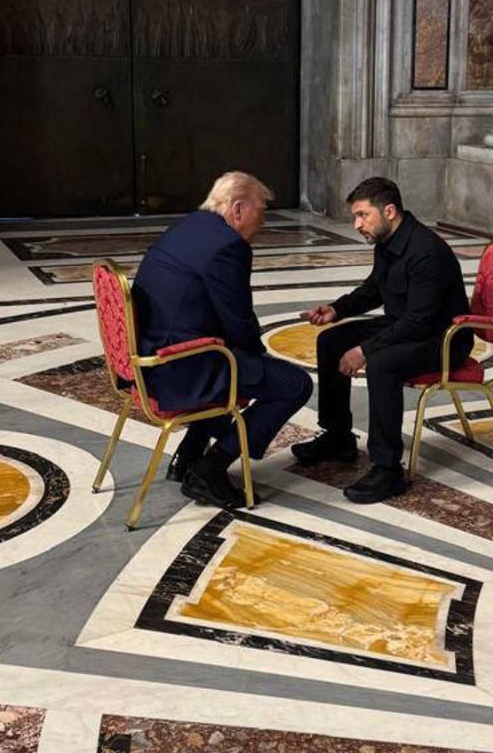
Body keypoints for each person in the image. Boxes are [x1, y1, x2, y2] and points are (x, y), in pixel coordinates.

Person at [131, 171, 312, 509]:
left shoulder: (188, 227)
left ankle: (187, 455)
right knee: (293, 384)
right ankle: (209, 469)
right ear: (238, 208)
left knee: (235, 361)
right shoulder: (228, 246)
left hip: (151, 359)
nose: (263, 221)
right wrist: (261, 362)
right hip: (180, 368)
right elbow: (239, 321)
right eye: (261, 211)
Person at [294, 177, 472, 503]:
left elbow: (419, 322)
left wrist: (364, 350)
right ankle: (338, 437)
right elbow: (375, 289)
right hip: (406, 325)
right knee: (330, 342)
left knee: (382, 363)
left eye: (363, 215)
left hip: (442, 339)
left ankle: (388, 468)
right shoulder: (388, 241)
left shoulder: (426, 252)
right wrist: (337, 309)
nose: (356, 224)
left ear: (389, 211)